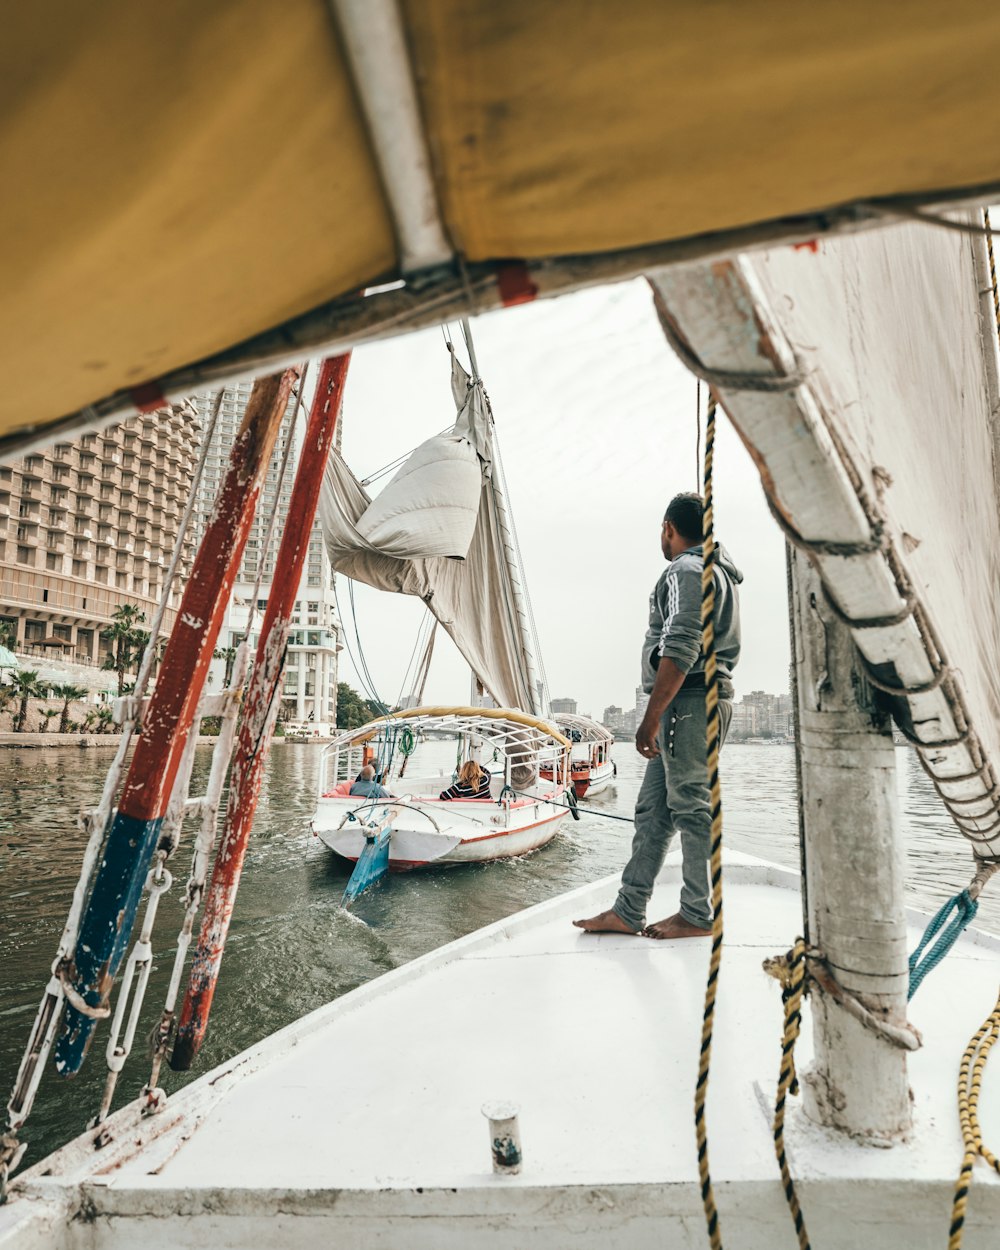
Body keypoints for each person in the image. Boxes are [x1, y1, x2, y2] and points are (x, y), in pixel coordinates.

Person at [574, 492, 742, 939]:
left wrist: (650, 718)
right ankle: (628, 909)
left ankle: (698, 913)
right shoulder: (716, 572)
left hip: (688, 703)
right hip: (692, 702)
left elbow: (682, 644)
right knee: (654, 812)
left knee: (690, 806)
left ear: (669, 527)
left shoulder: (684, 570)